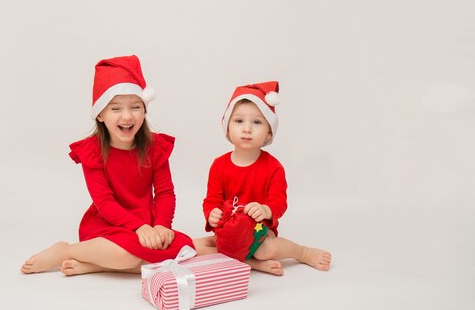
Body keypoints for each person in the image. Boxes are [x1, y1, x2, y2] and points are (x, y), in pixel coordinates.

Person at [21, 55, 194, 276]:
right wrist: (138, 228)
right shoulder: (93, 152)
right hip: (109, 223)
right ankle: (64, 251)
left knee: (182, 252)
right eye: (115, 109)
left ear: (144, 110)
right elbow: (104, 203)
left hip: (148, 223)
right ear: (100, 114)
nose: (127, 116)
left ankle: (95, 265)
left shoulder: (155, 147)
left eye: (135, 107)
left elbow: (165, 192)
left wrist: (162, 225)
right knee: (128, 255)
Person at [193, 82, 331, 275]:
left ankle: (303, 252)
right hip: (228, 233)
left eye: (257, 122)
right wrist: (211, 213)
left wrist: (266, 210)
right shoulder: (218, 165)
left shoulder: (273, 167)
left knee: (267, 249)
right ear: (227, 127)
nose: (247, 129)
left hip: (259, 232)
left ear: (268, 132)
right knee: (193, 246)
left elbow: (279, 202)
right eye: (239, 121)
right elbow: (212, 199)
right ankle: (252, 263)